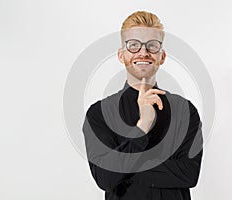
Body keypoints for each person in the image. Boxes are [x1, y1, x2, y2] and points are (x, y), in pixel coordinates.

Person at [82, 11, 203, 200]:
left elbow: (189, 174)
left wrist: (122, 168)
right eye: (133, 45)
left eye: (152, 46)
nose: (143, 52)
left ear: (162, 56)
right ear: (122, 55)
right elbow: (105, 178)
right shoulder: (98, 114)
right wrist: (143, 125)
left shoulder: (186, 111)